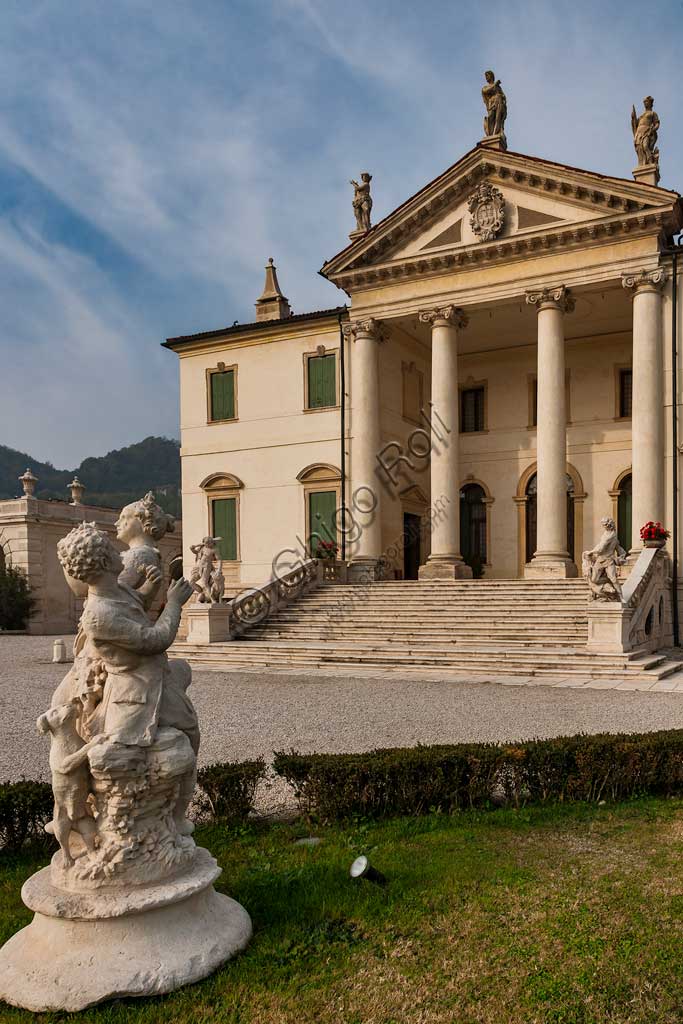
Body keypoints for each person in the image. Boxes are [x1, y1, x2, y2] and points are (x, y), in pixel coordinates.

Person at [582, 517, 626, 601]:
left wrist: (591, 552)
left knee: (613, 579)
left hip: (609, 561)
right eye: (603, 525)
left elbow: (601, 547)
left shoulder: (611, 536)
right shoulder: (606, 534)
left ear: (610, 524)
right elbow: (601, 545)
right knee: (594, 579)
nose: (605, 526)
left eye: (606, 524)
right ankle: (606, 587)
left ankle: (621, 597)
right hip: (600, 560)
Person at [482, 70, 507, 138]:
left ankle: (497, 132)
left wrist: (503, 99)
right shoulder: (486, 87)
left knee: (498, 118)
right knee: (490, 117)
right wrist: (495, 84)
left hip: (499, 102)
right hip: (492, 103)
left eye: (487, 75)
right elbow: (486, 91)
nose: (486, 77)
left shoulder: (498, 87)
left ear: (491, 76)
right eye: (485, 76)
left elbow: (504, 96)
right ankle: (490, 134)